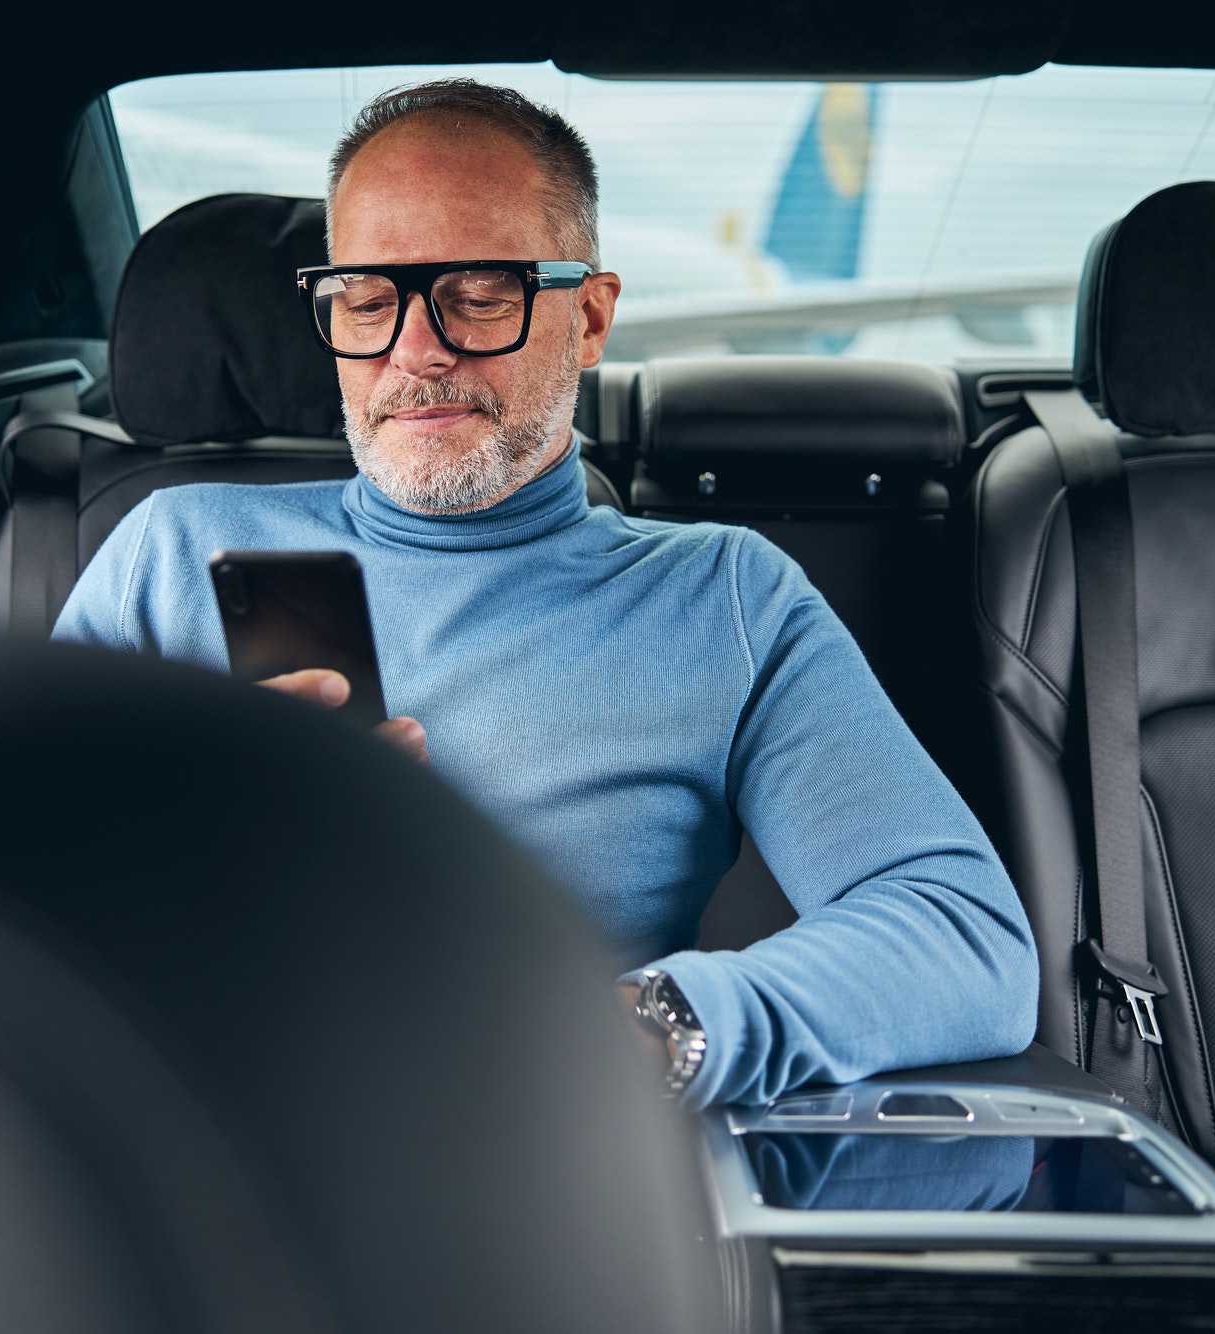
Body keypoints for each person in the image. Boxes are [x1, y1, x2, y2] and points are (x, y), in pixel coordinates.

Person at [55, 79, 1037, 1107]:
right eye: (367, 297)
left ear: (590, 318)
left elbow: (961, 932)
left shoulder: (723, 599)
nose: (415, 349)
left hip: (536, 1172)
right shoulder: (166, 554)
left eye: (479, 292)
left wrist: (641, 1031)